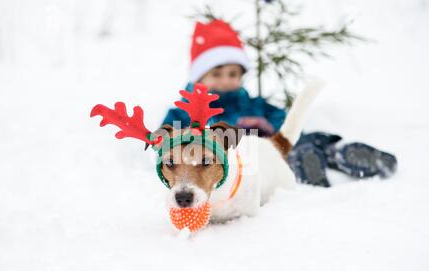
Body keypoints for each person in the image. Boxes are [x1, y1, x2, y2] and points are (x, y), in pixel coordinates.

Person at [161, 19, 397, 187]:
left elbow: (283, 119)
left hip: (275, 145)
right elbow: (164, 141)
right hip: (246, 162)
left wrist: (267, 123)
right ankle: (307, 162)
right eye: (217, 73)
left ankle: (336, 152)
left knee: (301, 140)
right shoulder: (184, 112)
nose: (226, 80)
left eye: (233, 74)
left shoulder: (253, 104)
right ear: (199, 77)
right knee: (276, 161)